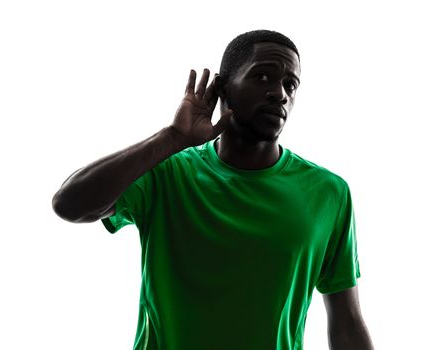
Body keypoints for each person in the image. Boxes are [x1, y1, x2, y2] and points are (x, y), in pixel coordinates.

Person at [52, 30, 374, 350]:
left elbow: (347, 324)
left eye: (291, 84)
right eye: (262, 76)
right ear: (222, 89)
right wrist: (172, 138)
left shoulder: (328, 194)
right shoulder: (167, 173)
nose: (280, 93)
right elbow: (69, 204)